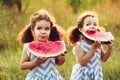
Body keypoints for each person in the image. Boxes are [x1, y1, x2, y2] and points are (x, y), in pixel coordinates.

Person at [18, 9, 66, 80]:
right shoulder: (27, 46)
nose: (43, 32)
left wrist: (62, 56)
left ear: (50, 30)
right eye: (39, 28)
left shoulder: (53, 45)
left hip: (52, 77)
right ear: (32, 29)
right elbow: (22, 65)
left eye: (47, 29)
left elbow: (59, 63)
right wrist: (34, 63)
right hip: (36, 77)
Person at [67, 11, 113, 80]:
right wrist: (93, 49)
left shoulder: (98, 43)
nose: (92, 26)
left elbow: (103, 59)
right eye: (88, 24)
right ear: (81, 29)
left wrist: (109, 48)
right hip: (82, 75)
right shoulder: (79, 45)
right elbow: (82, 62)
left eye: (95, 24)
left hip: (96, 73)